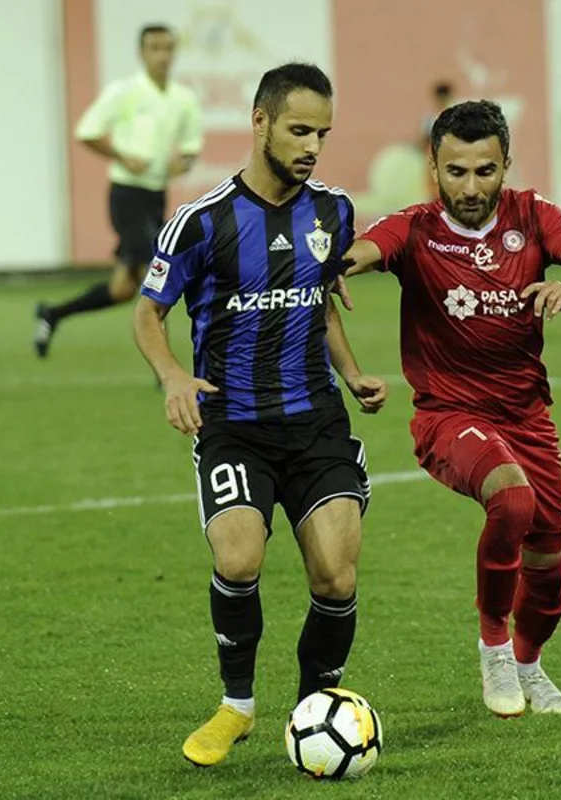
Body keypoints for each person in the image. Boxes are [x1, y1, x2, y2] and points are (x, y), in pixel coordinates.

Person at [336, 100, 561, 718]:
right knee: (512, 499)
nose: (470, 188)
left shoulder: (534, 216)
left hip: (527, 417)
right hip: (448, 415)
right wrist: (333, 268)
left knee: (548, 570)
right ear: (434, 168)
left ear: (506, 165)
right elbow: (358, 253)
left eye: (484, 171)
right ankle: (494, 647)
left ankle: (529, 664)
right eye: (456, 172)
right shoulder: (414, 227)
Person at [132, 62, 388, 767]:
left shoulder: (334, 212)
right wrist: (172, 376)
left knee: (336, 577)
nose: (312, 146)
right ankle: (236, 706)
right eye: (299, 130)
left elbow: (321, 303)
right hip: (234, 424)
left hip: (316, 422)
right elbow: (148, 314)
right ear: (260, 121)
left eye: (322, 134)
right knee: (239, 558)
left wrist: (353, 373)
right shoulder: (201, 222)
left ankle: (314, 708)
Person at [35, 24, 203, 357]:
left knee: (122, 288)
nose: (163, 55)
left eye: (168, 48)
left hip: (155, 195)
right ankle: (163, 368)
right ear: (142, 53)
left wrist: (181, 163)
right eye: (155, 48)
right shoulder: (124, 92)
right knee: (159, 269)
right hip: (127, 195)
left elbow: (189, 148)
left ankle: (52, 314)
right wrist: (123, 156)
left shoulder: (184, 98)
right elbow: (87, 131)